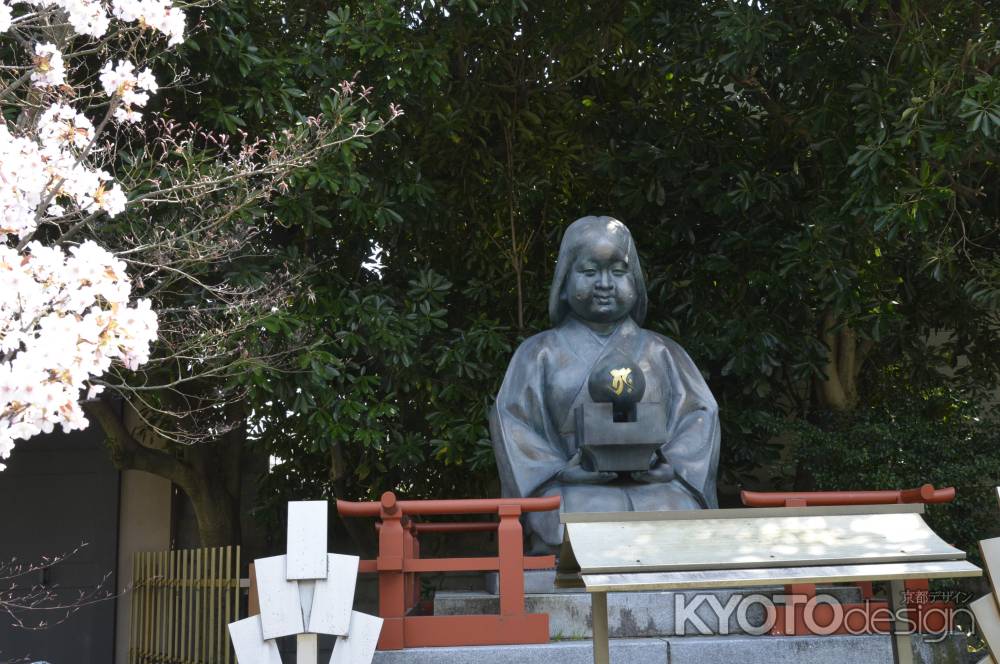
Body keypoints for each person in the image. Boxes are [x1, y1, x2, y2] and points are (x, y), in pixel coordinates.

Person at [489, 216, 720, 552]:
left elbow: (700, 413)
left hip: (656, 487)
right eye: (589, 271)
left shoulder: (663, 351)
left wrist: (668, 463)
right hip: (570, 487)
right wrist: (558, 471)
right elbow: (513, 421)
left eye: (618, 270)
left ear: (635, 281)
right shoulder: (538, 353)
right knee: (578, 514)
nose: (604, 283)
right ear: (564, 283)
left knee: (678, 510)